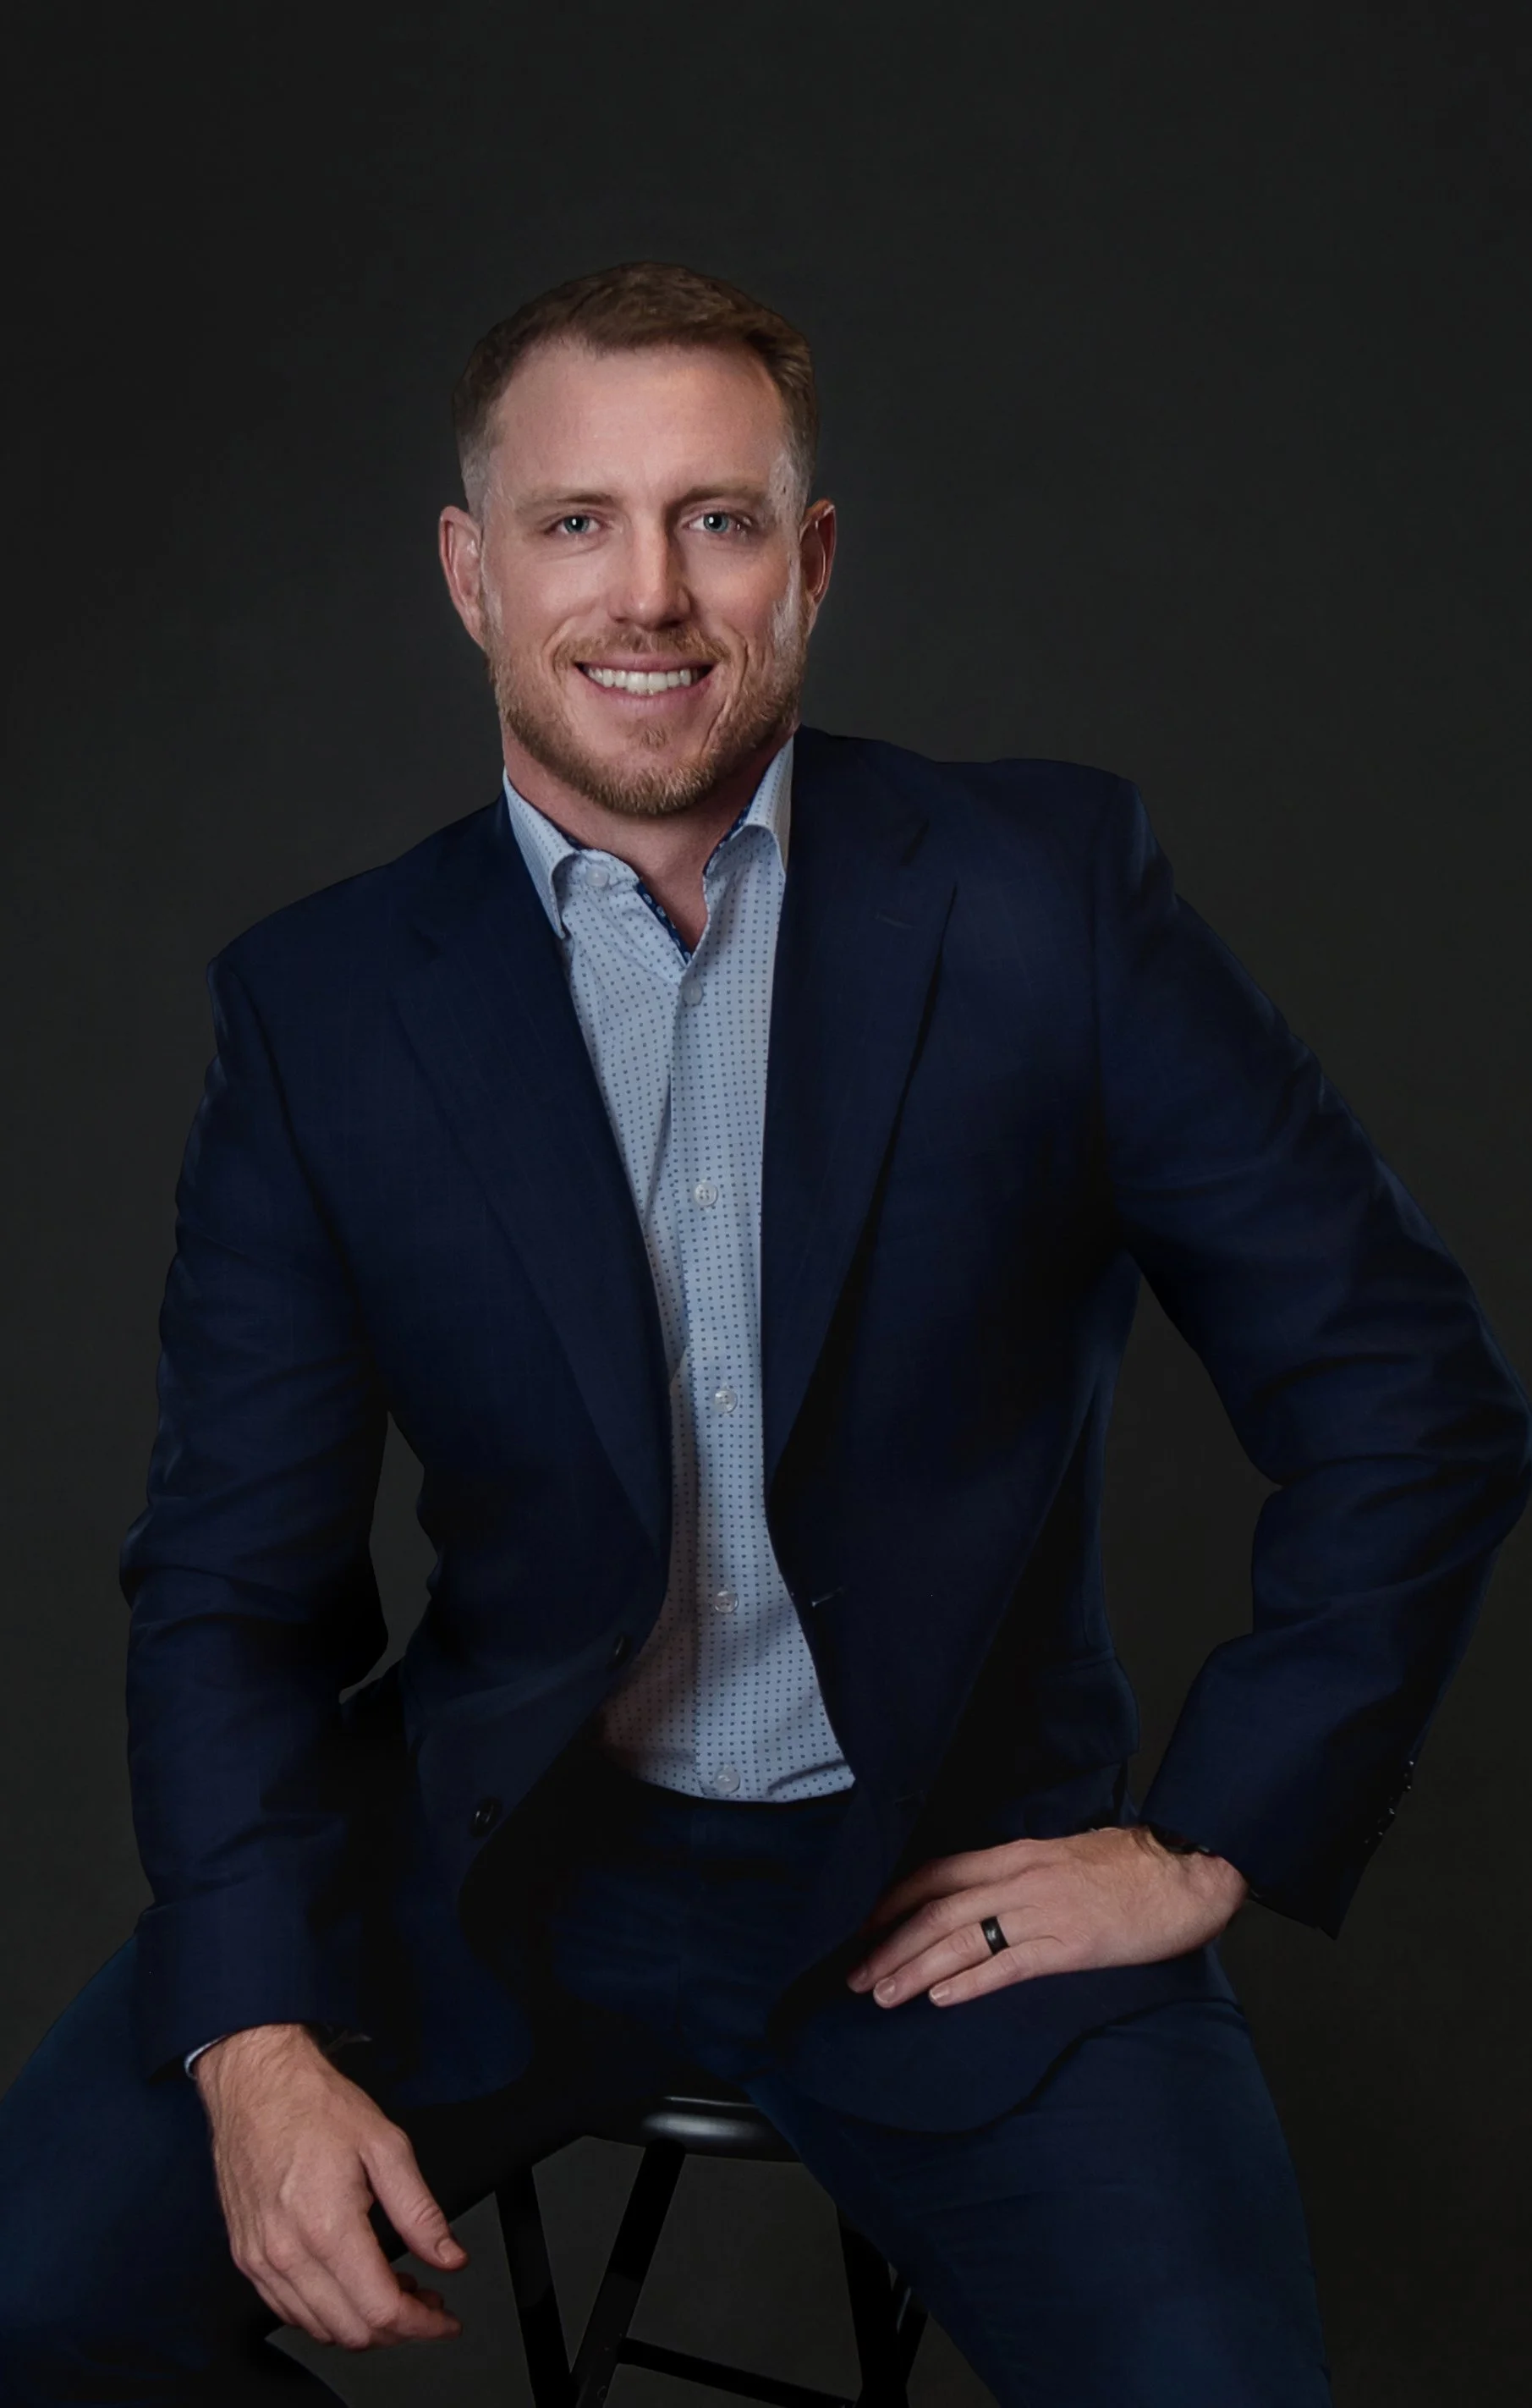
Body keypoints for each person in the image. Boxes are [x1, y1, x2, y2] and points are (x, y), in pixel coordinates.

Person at [1, 259, 1527, 2407]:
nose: (649, 595)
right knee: (30, 2299)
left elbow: (1408, 1393)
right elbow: (232, 1586)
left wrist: (1204, 1836)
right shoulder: (323, 1009)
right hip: (496, 1868)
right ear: (468, 572)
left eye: (715, 519)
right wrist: (252, 2042)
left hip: (949, 1887)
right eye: (572, 523)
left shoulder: (1041, 896)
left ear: (807, 562)